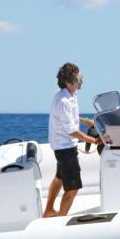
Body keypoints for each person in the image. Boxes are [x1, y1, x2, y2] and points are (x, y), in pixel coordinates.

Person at [44, 63, 100, 217]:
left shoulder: (68, 95)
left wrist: (85, 121)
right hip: (65, 148)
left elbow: (68, 117)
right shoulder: (63, 101)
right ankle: (60, 220)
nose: (82, 81)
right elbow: (71, 131)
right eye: (79, 79)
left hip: (62, 146)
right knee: (73, 187)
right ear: (69, 82)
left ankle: (48, 211)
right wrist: (94, 140)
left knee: (59, 178)